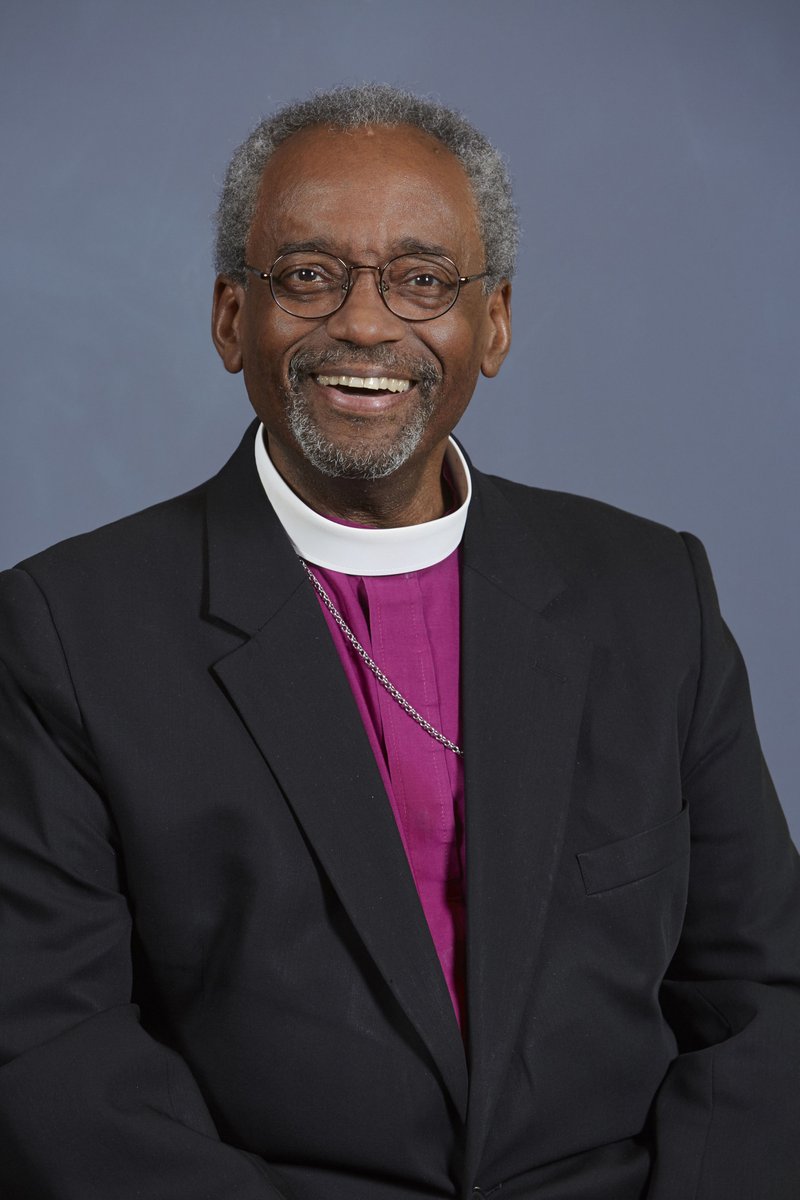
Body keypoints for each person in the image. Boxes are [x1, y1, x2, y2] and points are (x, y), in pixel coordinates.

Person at [0, 83, 797, 1200]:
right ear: (233, 317)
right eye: (308, 275)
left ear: (495, 323)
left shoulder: (648, 593)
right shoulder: (65, 628)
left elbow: (766, 1002)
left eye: (421, 280)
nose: (366, 324)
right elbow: (52, 1058)